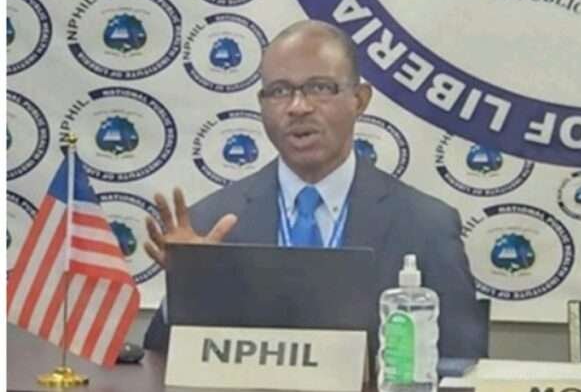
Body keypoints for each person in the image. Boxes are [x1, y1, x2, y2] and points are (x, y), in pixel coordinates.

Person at [143, 20, 488, 358]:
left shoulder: (426, 226)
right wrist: (188, 288)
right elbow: (159, 361)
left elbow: (463, 362)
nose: (298, 107)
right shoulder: (212, 224)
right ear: (262, 103)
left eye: (320, 88)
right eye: (280, 91)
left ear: (360, 99)